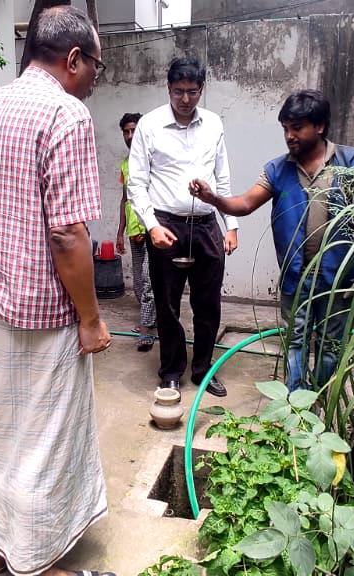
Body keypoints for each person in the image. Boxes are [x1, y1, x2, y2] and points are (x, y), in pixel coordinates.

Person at [0, 6, 114, 576]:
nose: (95, 76)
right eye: (95, 64)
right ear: (73, 59)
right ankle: (37, 563)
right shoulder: (65, 114)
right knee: (45, 443)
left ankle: (2, 547)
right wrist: (91, 318)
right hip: (47, 314)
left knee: (4, 431)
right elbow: (69, 233)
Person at [189, 90, 354, 393]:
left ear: (320, 126)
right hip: (296, 277)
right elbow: (245, 204)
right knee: (295, 339)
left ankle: (322, 399)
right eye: (285, 128)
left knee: (331, 344)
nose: (289, 136)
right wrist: (213, 198)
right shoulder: (277, 169)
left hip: (339, 277)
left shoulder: (352, 163)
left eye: (297, 128)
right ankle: (296, 402)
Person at [126, 56, 239, 398]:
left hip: (206, 226)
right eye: (178, 92)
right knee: (167, 303)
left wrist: (230, 225)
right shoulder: (149, 124)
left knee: (208, 304)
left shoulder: (214, 124)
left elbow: (223, 175)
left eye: (192, 91)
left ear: (201, 89)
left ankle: (203, 370)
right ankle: (171, 371)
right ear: (168, 88)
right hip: (166, 228)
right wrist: (151, 226)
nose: (185, 99)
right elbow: (137, 182)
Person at [114, 112, 156, 352]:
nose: (130, 136)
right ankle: (149, 319)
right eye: (126, 132)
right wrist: (120, 232)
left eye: (133, 130)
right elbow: (124, 199)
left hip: (152, 228)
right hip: (133, 229)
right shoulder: (125, 165)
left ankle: (147, 329)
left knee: (149, 278)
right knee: (139, 281)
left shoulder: (153, 160)